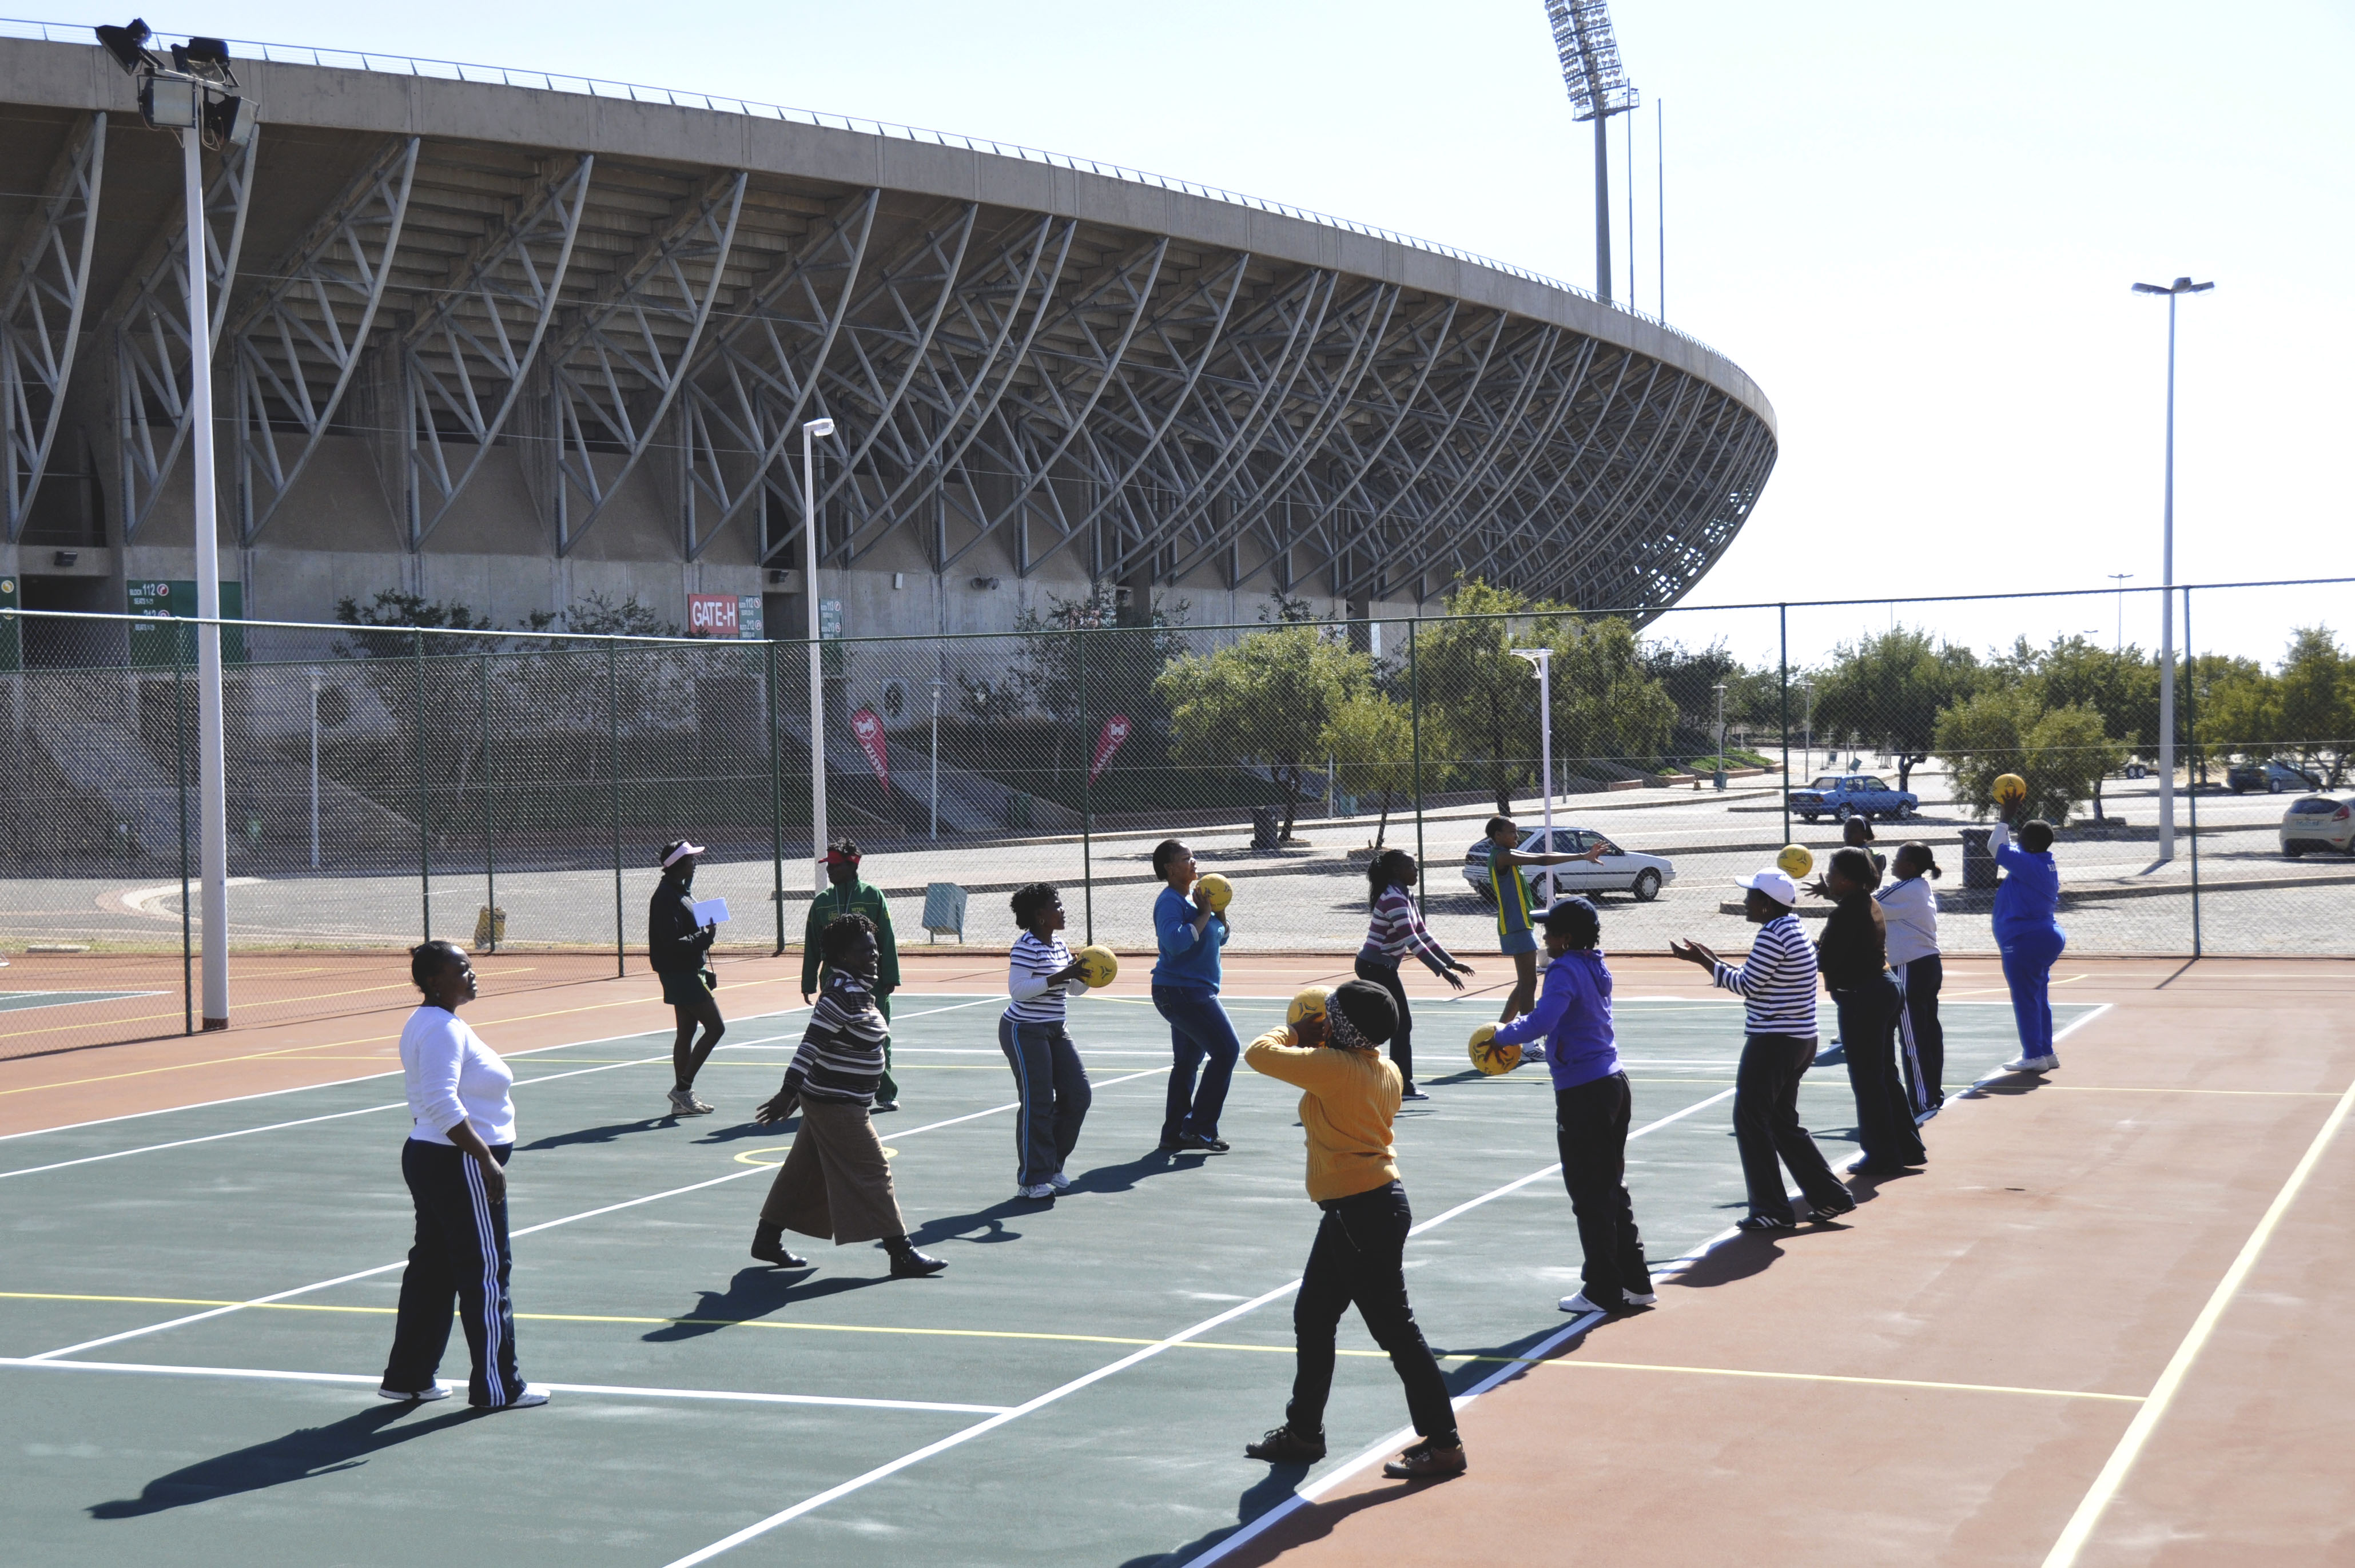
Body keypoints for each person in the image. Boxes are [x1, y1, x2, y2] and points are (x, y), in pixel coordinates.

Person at [1240, 980, 1467, 1482]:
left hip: (1360, 1212)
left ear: (1339, 1027)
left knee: (1397, 1332)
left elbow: (1258, 1053)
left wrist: (1295, 1031)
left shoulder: (1333, 1068)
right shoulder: (1385, 1068)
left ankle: (1446, 1444)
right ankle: (1304, 1431)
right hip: (1369, 1208)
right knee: (1315, 1315)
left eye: (1331, 1014)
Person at [380, 940, 547, 1410]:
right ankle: (499, 1386)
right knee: (487, 1272)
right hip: (457, 1164)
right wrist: (484, 1158)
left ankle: (409, 1377)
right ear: (435, 981)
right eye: (462, 968)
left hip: (436, 1159)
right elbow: (440, 1099)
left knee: (433, 1272)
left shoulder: (435, 1023)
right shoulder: (440, 1030)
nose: (472, 974)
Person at [750, 913, 946, 1278]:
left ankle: (767, 1240)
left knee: (802, 1173)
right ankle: (900, 1252)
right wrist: (787, 1092)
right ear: (841, 957)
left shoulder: (856, 991)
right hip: (835, 1104)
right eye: (863, 952)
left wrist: (800, 1093)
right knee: (874, 1171)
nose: (874, 957)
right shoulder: (838, 996)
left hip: (831, 1099)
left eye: (874, 951)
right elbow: (809, 1047)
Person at [1491, 898, 1654, 1316]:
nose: (1544, 938)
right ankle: (1636, 1282)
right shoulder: (1595, 964)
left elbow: (1543, 1021)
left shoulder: (1564, 969)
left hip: (1585, 1091)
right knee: (1611, 1186)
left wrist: (1501, 1036)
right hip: (1613, 1083)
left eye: (1550, 932)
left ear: (1566, 938)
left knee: (1589, 1192)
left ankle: (1601, 1289)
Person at [1669, 869, 1855, 1230]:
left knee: (1751, 1121)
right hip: (1800, 1039)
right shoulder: (1793, 928)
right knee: (1783, 1122)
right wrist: (1713, 961)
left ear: (1767, 904)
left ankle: (1771, 1209)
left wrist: (1705, 962)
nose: (1746, 901)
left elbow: (1747, 985)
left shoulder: (1773, 934)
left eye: (1752, 895)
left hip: (1774, 1042)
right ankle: (1830, 1196)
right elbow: (1759, 978)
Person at [1816, 847, 1926, 1175]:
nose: (1830, 878)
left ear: (1848, 879)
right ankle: (1907, 1146)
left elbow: (1825, 959)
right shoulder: (1866, 901)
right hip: (1883, 989)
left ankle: (1881, 1155)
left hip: (1863, 997)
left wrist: (1801, 949)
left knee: (1867, 1081)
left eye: (1833, 874)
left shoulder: (1846, 912)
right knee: (1884, 1075)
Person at [1356, 847, 1473, 1101]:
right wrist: (1441, 971)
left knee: (1385, 1025)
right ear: (1397, 871)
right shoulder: (1393, 899)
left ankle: (1368, 1075)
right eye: (1412, 867)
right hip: (1375, 967)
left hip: (1382, 967)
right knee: (1402, 1024)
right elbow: (1412, 942)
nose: (1417, 871)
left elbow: (1423, 934)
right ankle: (1403, 1085)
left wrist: (1451, 962)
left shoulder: (1405, 895)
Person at [1001, 882, 1094, 1200]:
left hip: (1055, 1028)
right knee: (1038, 1102)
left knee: (1078, 1095)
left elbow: (1073, 991)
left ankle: (1052, 1165)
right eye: (1056, 905)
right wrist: (1060, 975)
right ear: (1040, 916)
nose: (1062, 910)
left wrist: (1088, 976)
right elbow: (1019, 990)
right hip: (1024, 1029)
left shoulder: (1059, 944)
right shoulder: (1026, 946)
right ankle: (1031, 1179)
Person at [1150, 838, 1240, 1153]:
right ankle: (1200, 1128)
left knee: (1187, 1063)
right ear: (1170, 869)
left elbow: (1217, 937)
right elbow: (1175, 943)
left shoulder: (1195, 898)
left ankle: (1173, 1133)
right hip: (1181, 992)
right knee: (1228, 1051)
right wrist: (1204, 914)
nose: (1194, 862)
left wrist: (1220, 915)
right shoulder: (1170, 903)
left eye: (1193, 857)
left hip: (1192, 990)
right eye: (1186, 858)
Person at [802, 839, 902, 1110]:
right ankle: (838, 1090)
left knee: (879, 1035)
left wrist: (890, 975)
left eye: (834, 866)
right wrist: (809, 981)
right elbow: (812, 944)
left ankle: (884, 1092)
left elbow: (887, 939)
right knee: (834, 1037)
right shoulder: (822, 902)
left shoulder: (872, 896)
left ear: (851, 866)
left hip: (873, 985)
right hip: (834, 984)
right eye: (828, 867)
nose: (829, 872)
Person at [1482, 815, 1605, 1025]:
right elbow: (1542, 860)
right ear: (1498, 835)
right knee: (1528, 983)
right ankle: (1527, 1040)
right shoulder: (1501, 857)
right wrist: (1582, 856)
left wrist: (1583, 856)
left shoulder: (1507, 853)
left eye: (1516, 831)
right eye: (1512, 832)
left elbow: (1544, 855)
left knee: (1525, 984)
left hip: (1521, 924)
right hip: (1515, 925)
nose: (1516, 835)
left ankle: (1501, 1031)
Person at [649, 838, 723, 1116]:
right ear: (679, 865)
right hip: (680, 972)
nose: (696, 863)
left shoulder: (681, 893)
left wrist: (703, 935)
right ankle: (683, 1089)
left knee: (687, 1032)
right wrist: (704, 938)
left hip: (686, 970)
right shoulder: (666, 897)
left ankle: (681, 1101)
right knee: (716, 1028)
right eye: (691, 859)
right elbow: (672, 942)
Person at [1991, 804, 2067, 1073]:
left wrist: (2005, 819)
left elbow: (1995, 848)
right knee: (2037, 996)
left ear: (2028, 844)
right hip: (2044, 936)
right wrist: (2009, 830)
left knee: (2025, 998)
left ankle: (2034, 1055)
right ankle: (2045, 1051)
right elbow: (2007, 849)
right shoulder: (2041, 862)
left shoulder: (2028, 864)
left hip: (2025, 939)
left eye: (2021, 836)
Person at [1879, 842, 1945, 1115]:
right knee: (1929, 1032)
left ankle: (1921, 1099)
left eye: (1899, 859)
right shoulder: (1921, 887)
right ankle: (1932, 1091)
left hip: (1910, 967)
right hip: (1929, 964)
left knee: (1912, 1037)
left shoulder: (1905, 890)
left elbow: (1869, 904)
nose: (1894, 863)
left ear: (1912, 866)